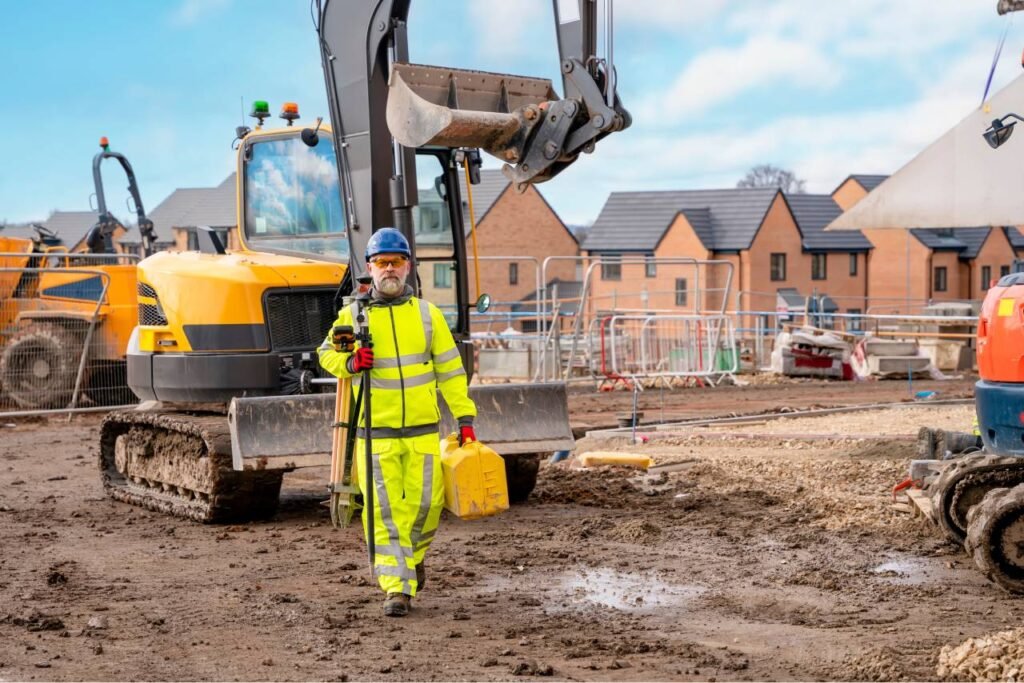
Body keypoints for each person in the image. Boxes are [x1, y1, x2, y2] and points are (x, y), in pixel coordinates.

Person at [318, 227, 476, 617]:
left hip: (423, 432)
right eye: (382, 262)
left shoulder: (427, 315)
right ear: (370, 267)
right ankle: (396, 588)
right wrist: (351, 362)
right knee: (384, 513)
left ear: (408, 266)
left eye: (397, 261)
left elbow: (450, 372)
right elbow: (326, 354)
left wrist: (465, 418)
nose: (389, 268)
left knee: (427, 506)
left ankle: (412, 559)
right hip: (376, 435)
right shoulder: (353, 316)